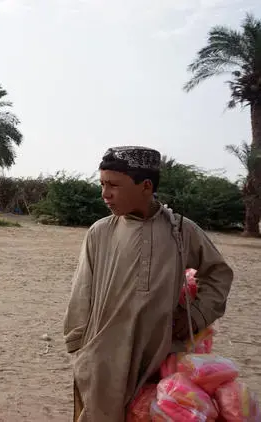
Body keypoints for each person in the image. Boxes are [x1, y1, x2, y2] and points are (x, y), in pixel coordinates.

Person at [63, 146, 234, 422]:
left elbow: (218, 274)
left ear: (145, 186)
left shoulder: (181, 230)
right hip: (104, 356)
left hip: (159, 354)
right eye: (102, 184)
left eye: (114, 185)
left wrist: (198, 315)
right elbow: (81, 292)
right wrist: (80, 345)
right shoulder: (100, 232)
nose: (105, 194)